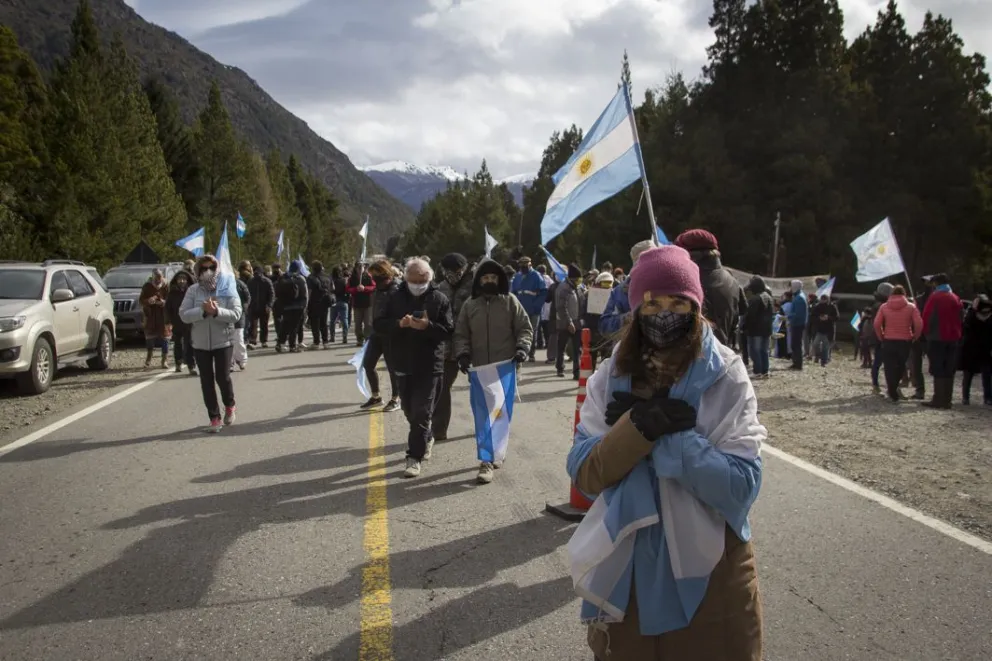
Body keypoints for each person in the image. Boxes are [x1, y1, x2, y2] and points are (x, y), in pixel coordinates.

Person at [567, 244, 764, 660]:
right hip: (628, 572)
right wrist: (636, 429)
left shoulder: (725, 375)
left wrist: (669, 441)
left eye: (677, 301)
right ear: (636, 308)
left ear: (695, 305)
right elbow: (585, 472)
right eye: (652, 303)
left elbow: (741, 487)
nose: (664, 313)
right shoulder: (611, 375)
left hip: (713, 577)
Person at [453, 259, 533, 483]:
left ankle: (497, 452)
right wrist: (463, 354)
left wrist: (522, 348)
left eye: (493, 278)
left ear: (500, 280)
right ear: (479, 281)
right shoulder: (470, 305)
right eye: (485, 278)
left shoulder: (510, 302)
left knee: (500, 413)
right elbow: (461, 334)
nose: (489, 281)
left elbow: (525, 328)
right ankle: (486, 461)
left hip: (505, 368)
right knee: (482, 415)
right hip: (479, 369)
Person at [373, 257, 454, 478]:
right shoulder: (394, 298)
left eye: (423, 279)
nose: (418, 283)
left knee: (421, 412)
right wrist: (399, 324)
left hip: (430, 365)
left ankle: (413, 457)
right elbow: (378, 324)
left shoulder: (439, 299)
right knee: (410, 411)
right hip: (402, 363)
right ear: (406, 278)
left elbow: (447, 331)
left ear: (430, 278)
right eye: (414, 279)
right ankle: (426, 436)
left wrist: (428, 326)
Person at [179, 254, 243, 432]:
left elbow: (236, 314)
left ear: (217, 269)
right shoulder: (193, 291)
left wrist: (216, 312)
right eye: (204, 268)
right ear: (198, 271)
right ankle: (214, 418)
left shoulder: (227, 287)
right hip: (200, 343)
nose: (208, 271)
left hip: (223, 341)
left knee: (222, 377)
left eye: (211, 268)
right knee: (206, 381)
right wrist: (202, 310)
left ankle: (230, 405)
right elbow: (183, 314)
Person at [673, 229, 748, 348]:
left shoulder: (687, 280)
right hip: (722, 354)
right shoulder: (733, 281)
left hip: (692, 356)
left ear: (690, 255)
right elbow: (741, 313)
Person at [433, 253, 475, 441]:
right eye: (448, 272)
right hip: (447, 349)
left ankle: (486, 427)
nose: (453, 275)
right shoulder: (439, 288)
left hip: (474, 346)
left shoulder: (476, 286)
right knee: (441, 389)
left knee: (483, 390)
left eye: (457, 272)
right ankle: (439, 430)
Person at [360, 260, 401, 412]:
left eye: (374, 275)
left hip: (391, 334)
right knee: (368, 364)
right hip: (376, 333)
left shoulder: (396, 290)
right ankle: (376, 396)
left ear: (383, 273)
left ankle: (396, 398)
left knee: (393, 368)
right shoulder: (377, 289)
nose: (372, 278)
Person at [873, 285, 923, 402]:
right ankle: (894, 390)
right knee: (900, 366)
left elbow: (876, 323)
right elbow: (919, 323)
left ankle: (892, 391)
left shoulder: (884, 307)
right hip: (905, 340)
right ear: (904, 294)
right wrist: (915, 336)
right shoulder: (911, 307)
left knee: (889, 367)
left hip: (888, 339)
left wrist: (881, 336)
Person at [920, 273, 963, 409]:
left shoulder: (935, 297)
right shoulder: (955, 297)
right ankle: (947, 400)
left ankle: (938, 399)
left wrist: (926, 333)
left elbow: (927, 316)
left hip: (937, 337)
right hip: (953, 337)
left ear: (936, 283)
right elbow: (961, 317)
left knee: (937, 367)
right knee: (949, 368)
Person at [600, 239, 655, 336]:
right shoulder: (619, 292)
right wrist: (625, 318)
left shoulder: (669, 287)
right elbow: (604, 325)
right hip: (631, 348)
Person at [510, 256, 547, 362]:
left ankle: (531, 353)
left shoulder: (537, 276)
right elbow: (513, 292)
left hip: (533, 310)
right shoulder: (517, 276)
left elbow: (543, 292)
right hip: (520, 309)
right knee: (518, 331)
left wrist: (536, 306)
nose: (523, 268)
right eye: (521, 266)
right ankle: (520, 352)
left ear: (530, 265)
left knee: (532, 331)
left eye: (525, 266)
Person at [960, 295, 992, 405]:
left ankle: (984, 397)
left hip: (980, 349)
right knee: (972, 375)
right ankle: (968, 397)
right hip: (976, 349)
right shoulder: (971, 316)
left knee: (982, 375)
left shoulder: (971, 315)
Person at [164, 268, 197, 375]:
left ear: (188, 280)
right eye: (179, 279)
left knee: (190, 344)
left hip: (189, 322)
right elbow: (167, 308)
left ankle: (191, 366)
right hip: (176, 321)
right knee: (177, 344)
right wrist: (167, 322)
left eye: (184, 279)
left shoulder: (192, 292)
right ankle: (178, 363)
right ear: (176, 280)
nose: (182, 281)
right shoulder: (172, 293)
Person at [743, 275, 775, 378]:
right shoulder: (769, 297)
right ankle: (765, 371)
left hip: (755, 330)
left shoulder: (755, 299)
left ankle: (757, 371)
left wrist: (744, 327)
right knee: (764, 351)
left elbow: (750, 316)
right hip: (767, 329)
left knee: (754, 351)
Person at [909, 276, 936, 399]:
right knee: (916, 365)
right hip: (919, 336)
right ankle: (920, 390)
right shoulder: (918, 300)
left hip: (932, 336)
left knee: (934, 366)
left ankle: (936, 392)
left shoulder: (937, 300)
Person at [555, 264, 583, 379]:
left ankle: (577, 373)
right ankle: (560, 368)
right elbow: (561, 307)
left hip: (577, 322)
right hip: (565, 323)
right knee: (561, 347)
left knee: (577, 349)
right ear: (572, 279)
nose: (579, 281)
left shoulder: (578, 288)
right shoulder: (564, 288)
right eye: (577, 279)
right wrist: (569, 322)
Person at [583, 271, 615, 370]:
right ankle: (591, 381)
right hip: (594, 330)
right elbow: (584, 313)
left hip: (607, 332)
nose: (607, 286)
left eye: (610, 283)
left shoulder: (614, 295)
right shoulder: (589, 295)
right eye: (605, 283)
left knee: (606, 360)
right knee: (592, 357)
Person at [139, 268, 171, 369]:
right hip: (150, 316)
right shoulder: (147, 286)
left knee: (165, 338)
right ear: (152, 277)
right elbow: (141, 300)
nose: (158, 280)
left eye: (160, 277)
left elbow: (171, 300)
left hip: (163, 316)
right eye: (156, 278)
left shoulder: (167, 286)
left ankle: (164, 360)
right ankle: (148, 359)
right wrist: (149, 300)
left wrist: (164, 302)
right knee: (150, 339)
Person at [274, 260, 308, 353]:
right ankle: (292, 346)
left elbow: (277, 292)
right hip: (298, 306)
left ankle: (280, 343)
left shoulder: (283, 277)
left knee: (285, 325)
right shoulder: (300, 278)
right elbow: (305, 294)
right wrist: (305, 306)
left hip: (286, 306)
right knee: (294, 327)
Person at [306, 261, 334, 349]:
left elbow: (309, 292)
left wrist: (306, 304)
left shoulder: (311, 278)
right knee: (324, 323)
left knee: (315, 324)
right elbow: (333, 288)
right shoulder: (328, 276)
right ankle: (325, 342)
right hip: (325, 302)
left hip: (314, 302)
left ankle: (316, 343)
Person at [348, 263, 376, 345]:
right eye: (359, 268)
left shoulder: (368, 277)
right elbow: (348, 288)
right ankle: (359, 339)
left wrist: (365, 288)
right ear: (356, 268)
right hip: (357, 304)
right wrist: (355, 289)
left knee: (368, 323)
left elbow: (374, 287)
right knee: (357, 324)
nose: (360, 269)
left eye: (362, 267)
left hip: (368, 304)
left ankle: (367, 339)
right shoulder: (352, 278)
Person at [247, 266, 274, 349]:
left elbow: (272, 294)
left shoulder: (267, 281)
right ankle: (253, 341)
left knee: (263, 325)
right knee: (253, 325)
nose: (256, 274)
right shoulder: (251, 282)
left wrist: (269, 305)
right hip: (254, 307)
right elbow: (247, 294)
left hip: (263, 307)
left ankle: (263, 341)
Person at [785, 280, 809, 370]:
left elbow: (798, 314)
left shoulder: (799, 298)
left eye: (791, 286)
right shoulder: (798, 296)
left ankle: (798, 364)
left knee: (796, 344)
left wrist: (788, 317)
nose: (790, 289)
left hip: (797, 324)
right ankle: (795, 362)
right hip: (797, 323)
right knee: (795, 344)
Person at [810, 294, 838, 367]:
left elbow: (837, 317)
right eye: (822, 299)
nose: (823, 301)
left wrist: (828, 318)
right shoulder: (817, 307)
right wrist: (819, 318)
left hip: (828, 329)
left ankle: (824, 361)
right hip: (819, 329)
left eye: (824, 299)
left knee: (825, 347)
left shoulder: (832, 307)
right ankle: (818, 355)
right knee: (815, 344)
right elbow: (812, 317)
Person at [232, 266, 251, 370]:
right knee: (228, 341)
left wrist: (243, 308)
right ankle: (230, 362)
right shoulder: (221, 285)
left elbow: (247, 297)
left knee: (239, 338)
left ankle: (242, 359)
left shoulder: (240, 284)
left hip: (239, 315)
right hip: (225, 316)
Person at [330, 266, 350, 344]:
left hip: (334, 302)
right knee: (344, 319)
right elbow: (348, 291)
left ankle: (332, 337)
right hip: (343, 301)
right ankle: (345, 336)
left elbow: (330, 291)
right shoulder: (344, 281)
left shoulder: (332, 281)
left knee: (332, 321)